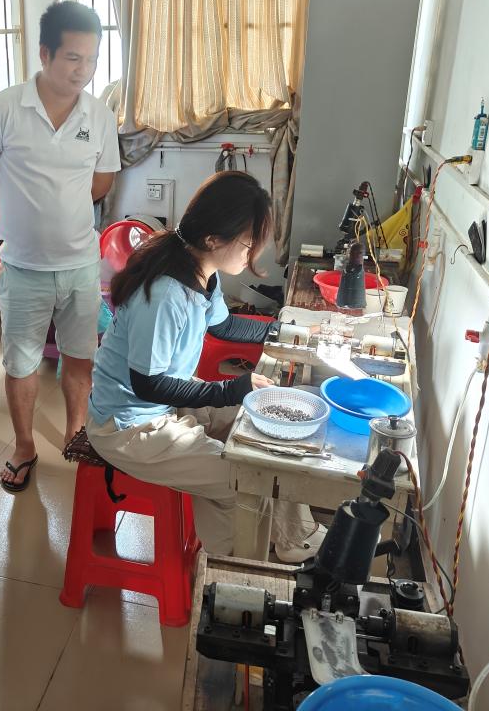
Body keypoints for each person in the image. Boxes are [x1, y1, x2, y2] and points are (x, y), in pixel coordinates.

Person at [86, 171, 319, 555]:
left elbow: (224, 325)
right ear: (212, 238)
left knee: (272, 429)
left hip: (164, 404)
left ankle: (295, 541)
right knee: (245, 479)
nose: (252, 254)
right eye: (248, 243)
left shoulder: (201, 273)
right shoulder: (166, 295)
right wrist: (230, 390)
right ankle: (232, 570)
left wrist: (283, 331)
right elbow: (147, 384)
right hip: (128, 426)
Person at [0, 1, 120, 492]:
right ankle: (24, 446)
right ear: (44, 53)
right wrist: (12, 210)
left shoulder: (99, 116)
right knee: (21, 363)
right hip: (23, 265)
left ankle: (75, 433)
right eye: (73, 57)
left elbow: (102, 182)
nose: (83, 70)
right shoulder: (3, 108)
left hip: (80, 264)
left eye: (92, 59)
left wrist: (59, 208)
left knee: (79, 358)